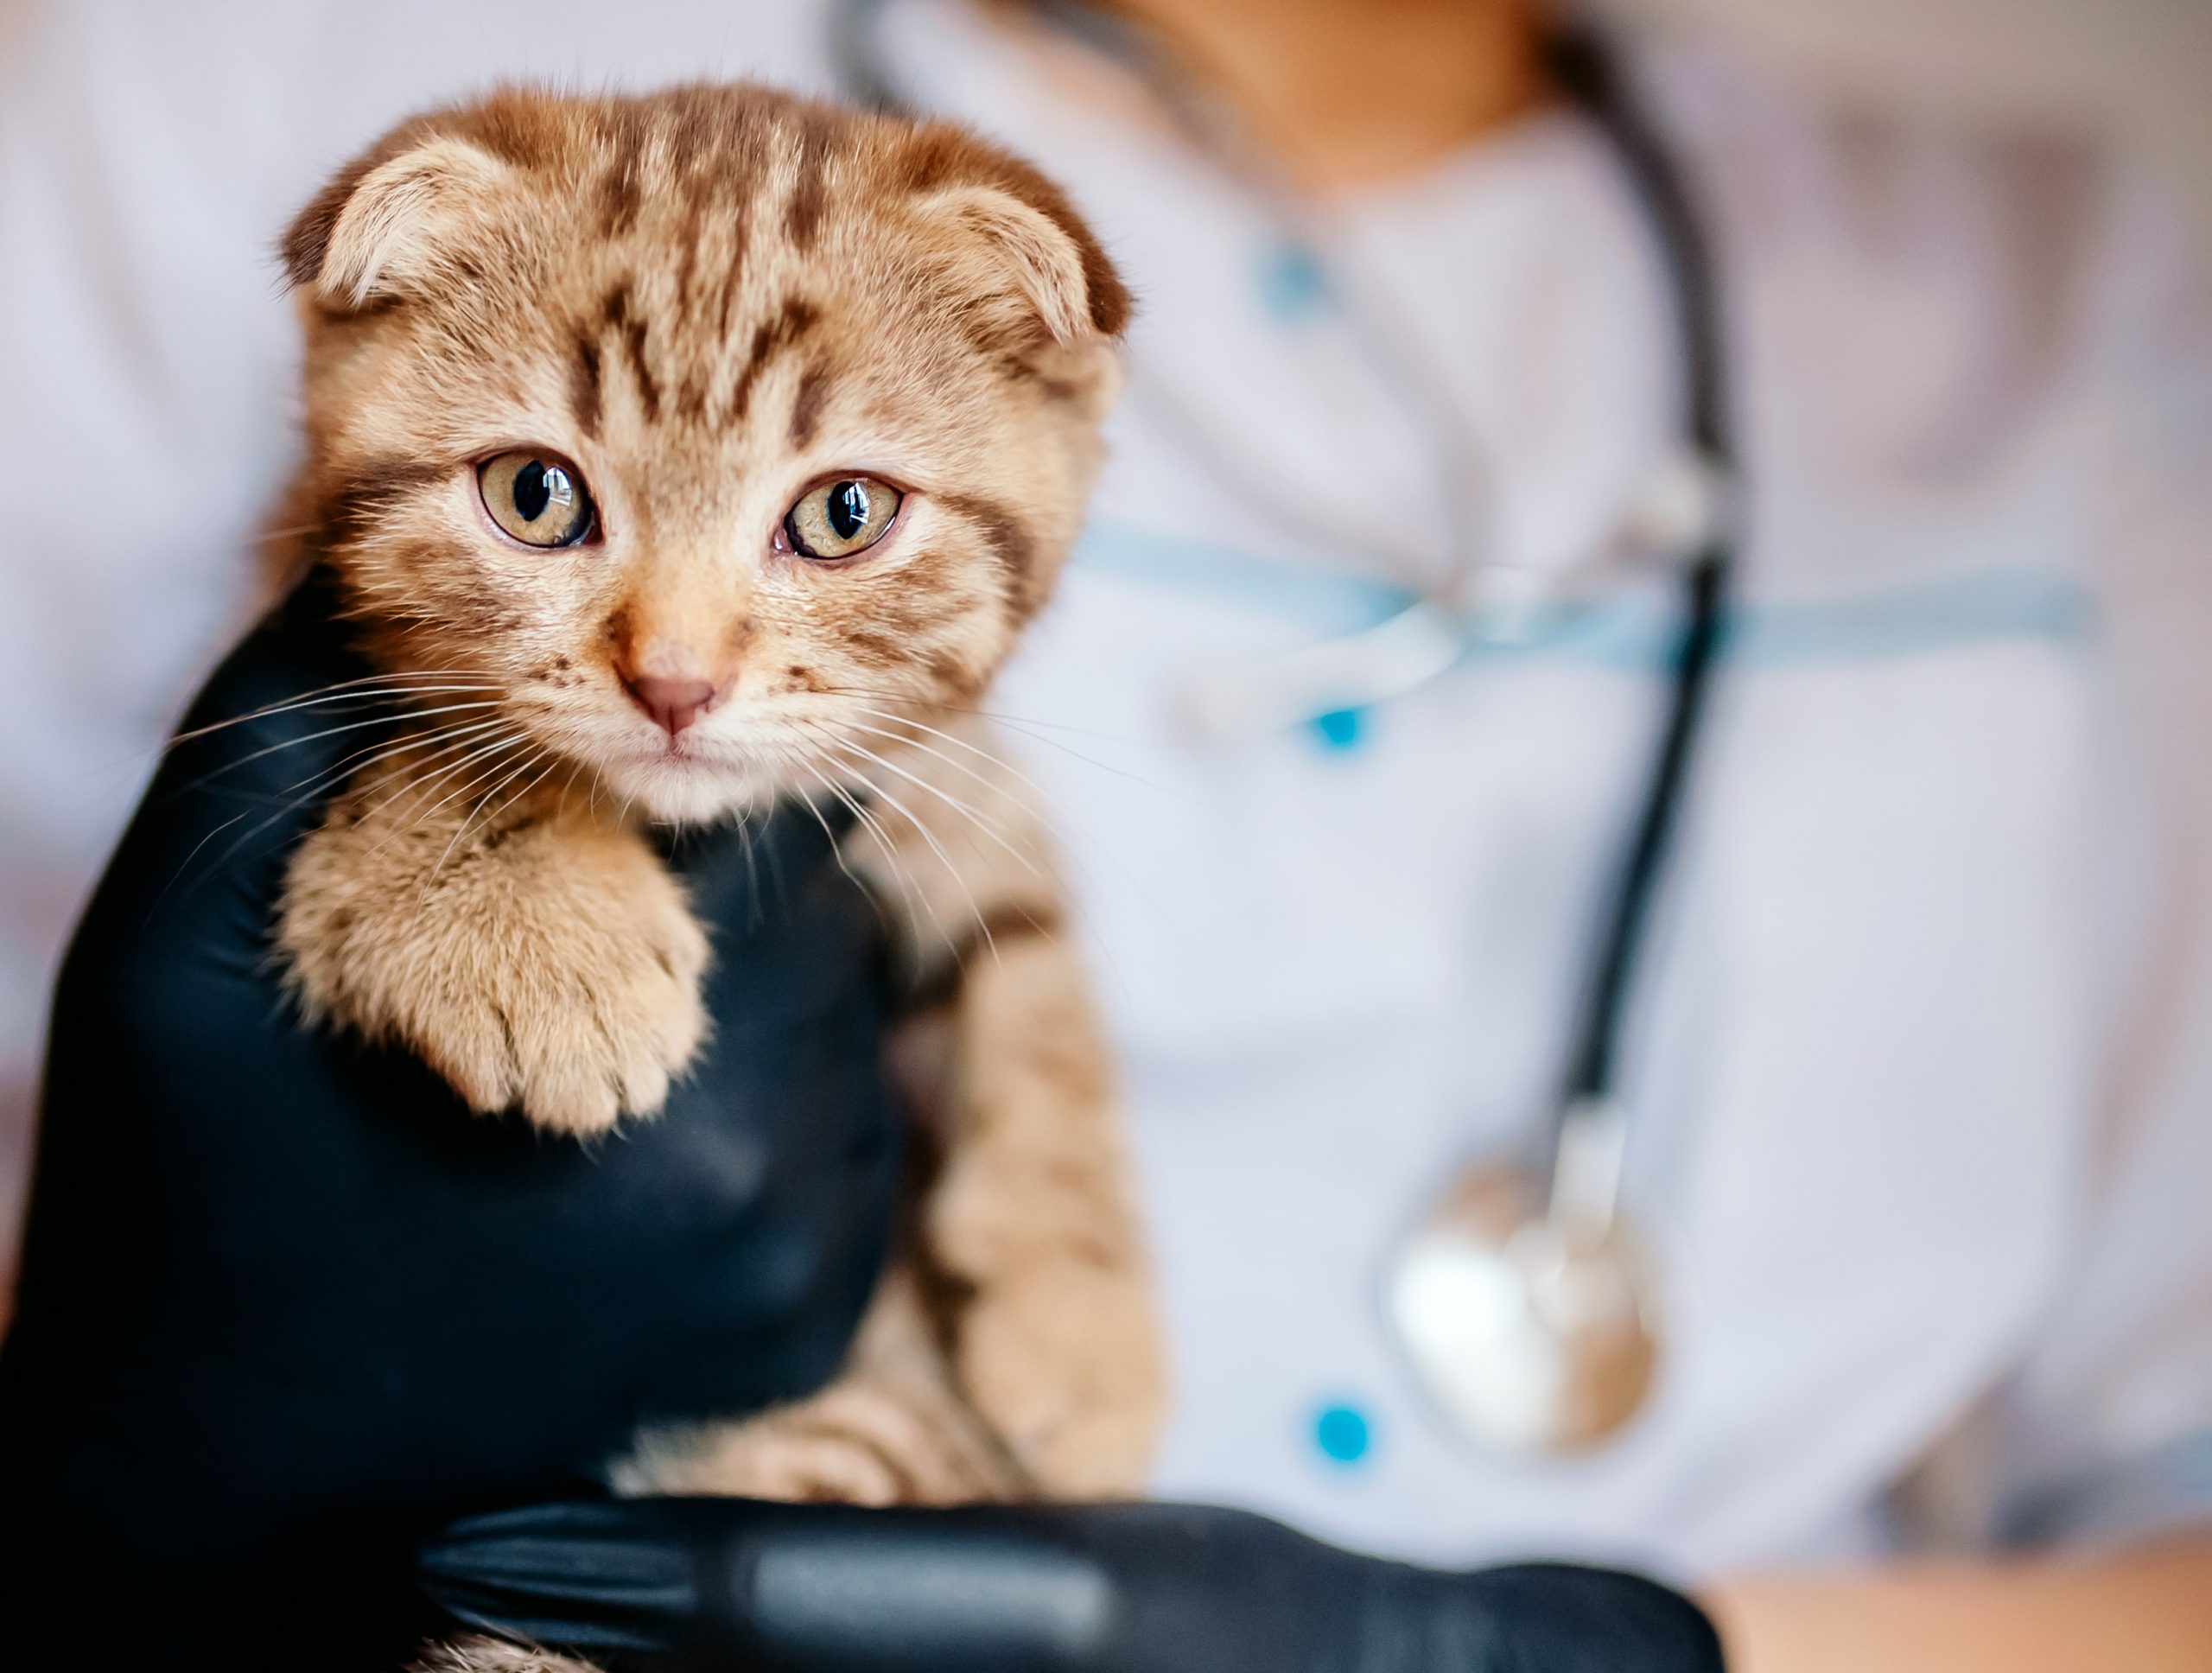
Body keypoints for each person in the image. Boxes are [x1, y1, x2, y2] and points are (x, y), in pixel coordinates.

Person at [0, 0, 2208, 1668]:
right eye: (557, 500)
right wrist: (130, 1497)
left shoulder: (2094, 300)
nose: (676, 656)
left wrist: (1542, 1652)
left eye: (835, 513)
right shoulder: (227, 74)